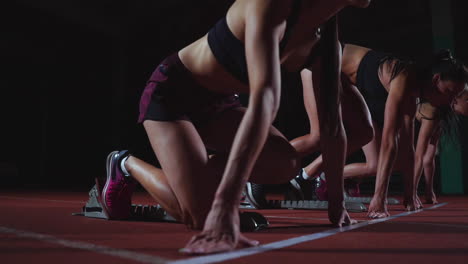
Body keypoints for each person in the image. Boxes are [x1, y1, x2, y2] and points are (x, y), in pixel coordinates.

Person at [101, 0, 372, 255]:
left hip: (220, 104)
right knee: (202, 218)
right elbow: (265, 103)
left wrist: (336, 204)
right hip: (172, 95)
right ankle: (125, 163)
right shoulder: (271, 5)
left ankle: (195, 177)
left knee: (286, 162)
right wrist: (225, 206)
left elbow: (332, 128)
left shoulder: (326, 44)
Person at [287, 44, 467, 218]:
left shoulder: (412, 95)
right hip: (321, 64)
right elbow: (390, 142)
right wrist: (379, 198)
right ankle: (265, 160)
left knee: (364, 133)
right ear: (436, 80)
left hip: (343, 80)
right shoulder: (403, 78)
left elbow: (407, 148)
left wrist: (410, 193)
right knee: (318, 136)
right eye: (451, 93)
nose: (451, 102)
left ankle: (304, 175)